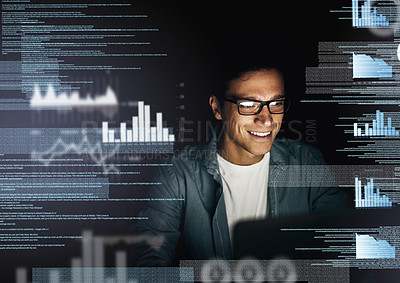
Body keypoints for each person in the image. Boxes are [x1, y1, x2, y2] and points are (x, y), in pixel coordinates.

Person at [130, 65, 350, 266]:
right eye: (247, 105)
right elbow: (149, 253)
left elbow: (341, 240)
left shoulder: (307, 162)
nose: (266, 119)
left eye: (276, 104)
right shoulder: (177, 173)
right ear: (217, 108)